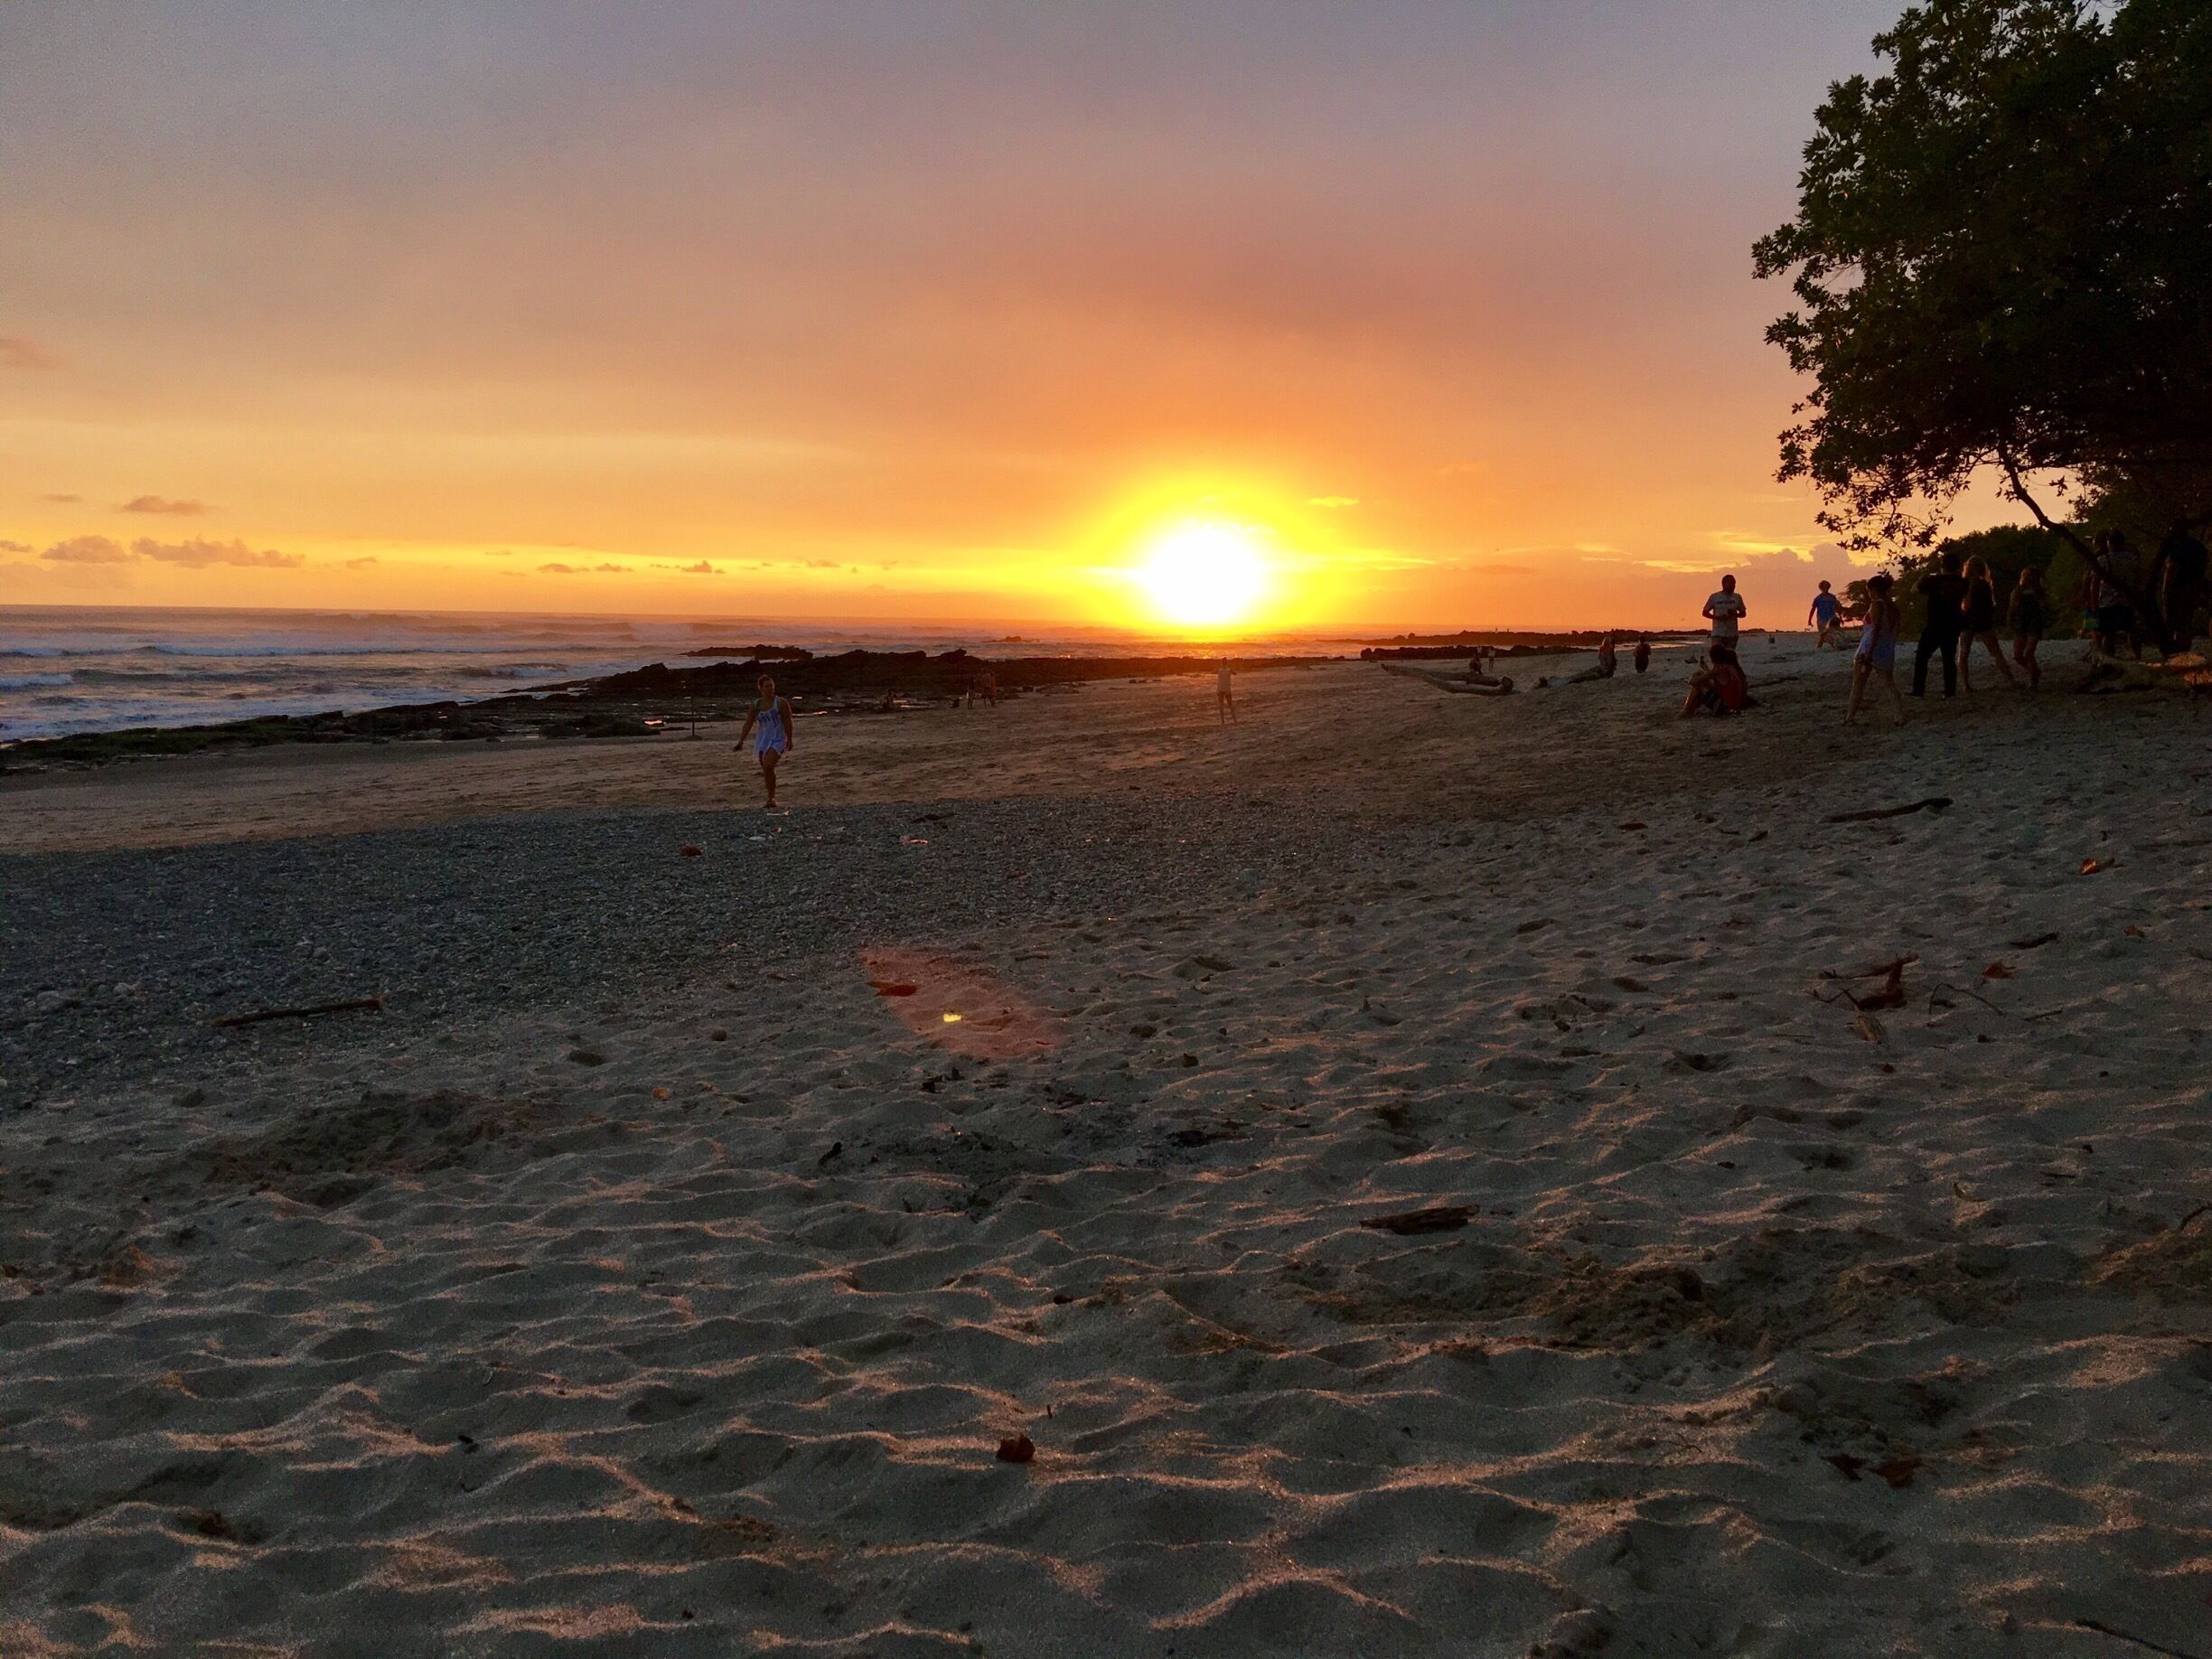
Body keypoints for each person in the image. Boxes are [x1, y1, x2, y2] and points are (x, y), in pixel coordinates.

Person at [1845, 572, 1905, 726]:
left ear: (1874, 589)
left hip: (1869, 648)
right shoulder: (1894, 608)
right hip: (1886, 649)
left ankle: (1850, 717)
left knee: (1858, 684)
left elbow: (1876, 629)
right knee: (1888, 683)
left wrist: (1869, 653)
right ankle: (1899, 715)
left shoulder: (1877, 605)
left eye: (1869, 590)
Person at [1911, 548, 1968, 697]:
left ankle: (1918, 689)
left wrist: (1922, 577)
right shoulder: (1963, 583)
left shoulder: (1933, 581)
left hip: (1935, 624)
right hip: (1953, 624)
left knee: (1922, 657)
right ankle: (1950, 691)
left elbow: (1915, 590)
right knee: (1949, 659)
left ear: (1942, 566)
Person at [733, 672, 794, 809]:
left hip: (778, 739)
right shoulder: (756, 705)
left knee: (768, 765)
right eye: (767, 686)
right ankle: (771, 797)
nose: (770, 689)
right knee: (767, 770)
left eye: (772, 686)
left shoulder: (781, 703)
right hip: (763, 741)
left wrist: (789, 740)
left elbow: (788, 721)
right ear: (760, 688)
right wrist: (741, 742)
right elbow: (748, 723)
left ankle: (771, 798)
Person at [1956, 555, 2017, 690]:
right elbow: (1985, 604)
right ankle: (2011, 680)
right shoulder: (1981, 584)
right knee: (1995, 652)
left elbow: (1966, 605)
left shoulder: (1967, 584)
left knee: (1965, 653)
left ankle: (1966, 685)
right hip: (1980, 620)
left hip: (1969, 620)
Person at [2158, 518, 2208, 653]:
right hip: (2194, 588)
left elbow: (2172, 569)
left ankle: (2177, 652)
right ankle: (2184, 651)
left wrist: (2165, 590)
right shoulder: (2199, 547)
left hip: (2177, 590)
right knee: (2186, 622)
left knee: (2173, 623)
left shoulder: (2177, 547)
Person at [2095, 531, 2143, 661]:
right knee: (2131, 630)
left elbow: (2095, 582)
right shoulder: (2132, 558)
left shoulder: (2102, 560)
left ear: (2109, 543)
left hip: (2106, 602)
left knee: (2108, 634)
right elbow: (2139, 577)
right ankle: (2138, 657)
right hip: (2127, 601)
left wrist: (2093, 602)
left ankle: (2109, 660)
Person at [1678, 642, 1749, 718]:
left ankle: (1686, 711)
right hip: (1734, 704)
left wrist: (1695, 677)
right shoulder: (1728, 668)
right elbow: (1718, 686)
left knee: (1698, 684)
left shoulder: (1718, 669)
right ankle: (1689, 711)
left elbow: (1693, 682)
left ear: (1712, 658)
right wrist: (1704, 671)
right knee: (1700, 681)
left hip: (1726, 706)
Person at [2007, 566, 2048, 689]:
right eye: (2025, 575)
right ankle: (2034, 671)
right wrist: (2010, 622)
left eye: (2029, 575)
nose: (2026, 578)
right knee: (2018, 655)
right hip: (2021, 623)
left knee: (2029, 651)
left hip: (2034, 622)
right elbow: (2012, 608)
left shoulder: (2038, 591)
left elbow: (2043, 606)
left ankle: (2033, 680)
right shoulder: (2017, 591)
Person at [1703, 575, 1747, 651]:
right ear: (1724, 584)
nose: (1733, 586)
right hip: (1718, 633)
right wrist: (1717, 617)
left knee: (1729, 658)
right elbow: (1705, 612)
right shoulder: (1715, 597)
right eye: (1731, 583)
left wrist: (1735, 614)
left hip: (1732, 634)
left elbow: (1743, 614)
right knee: (1717, 658)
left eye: (1734, 583)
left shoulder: (1737, 597)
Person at [1808, 581, 1843, 649]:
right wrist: (1809, 620)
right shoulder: (1818, 598)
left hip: (1831, 618)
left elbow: (1837, 607)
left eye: (1827, 587)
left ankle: (1832, 645)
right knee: (1823, 634)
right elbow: (1813, 609)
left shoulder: (1832, 597)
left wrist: (1840, 618)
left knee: (1827, 633)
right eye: (1824, 587)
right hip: (1822, 618)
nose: (1825, 589)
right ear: (1821, 588)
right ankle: (1820, 647)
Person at [1216, 655, 1236, 724]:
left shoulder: (1220, 670)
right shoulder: (1228, 669)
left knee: (1221, 705)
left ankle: (1223, 721)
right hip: (1226, 689)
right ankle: (1234, 720)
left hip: (1221, 689)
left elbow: (1212, 671)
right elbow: (1235, 673)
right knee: (1229, 705)